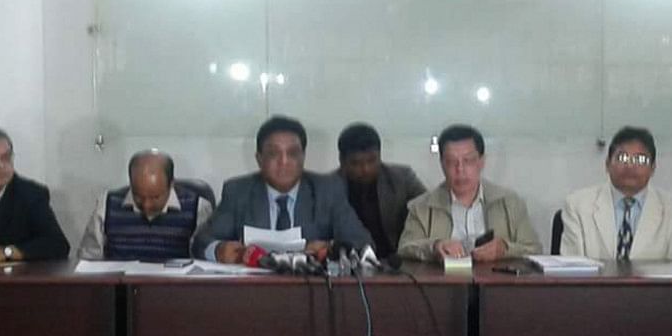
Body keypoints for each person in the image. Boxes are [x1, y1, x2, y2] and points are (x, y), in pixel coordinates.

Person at [192, 115, 372, 263]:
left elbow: (363, 244)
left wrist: (331, 249)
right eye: (273, 154)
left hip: (312, 290)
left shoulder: (328, 190)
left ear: (303, 157)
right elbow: (200, 243)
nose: (284, 162)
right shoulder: (238, 192)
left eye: (292, 153)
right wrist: (218, 250)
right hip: (253, 290)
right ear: (259, 159)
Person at [398, 124, 542, 262]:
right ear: (442, 164)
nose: (460, 169)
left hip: (494, 279)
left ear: (481, 161)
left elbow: (534, 249)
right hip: (443, 279)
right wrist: (435, 246)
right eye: (451, 162)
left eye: (468, 161)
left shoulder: (510, 203)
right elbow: (405, 248)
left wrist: (505, 249)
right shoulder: (421, 207)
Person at [560, 126, 672, 261]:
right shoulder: (578, 206)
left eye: (640, 159)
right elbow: (571, 267)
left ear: (653, 168)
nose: (630, 166)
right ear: (607, 164)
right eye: (622, 158)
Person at [78, 149, 213, 260]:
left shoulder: (198, 209)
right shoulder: (106, 205)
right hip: (121, 284)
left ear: (172, 184)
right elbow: (87, 262)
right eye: (138, 196)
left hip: (175, 284)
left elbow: (203, 265)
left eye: (155, 197)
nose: (146, 205)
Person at [335, 122, 426, 258]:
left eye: (372, 160)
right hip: (347, 262)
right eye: (356, 163)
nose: (365, 169)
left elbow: (428, 211)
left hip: (398, 260)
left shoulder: (402, 179)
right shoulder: (328, 188)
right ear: (342, 161)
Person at [0, 127, 70, 262]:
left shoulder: (31, 194)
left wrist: (7, 252)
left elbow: (58, 245)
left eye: (6, 158)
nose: (0, 166)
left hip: (16, 274)